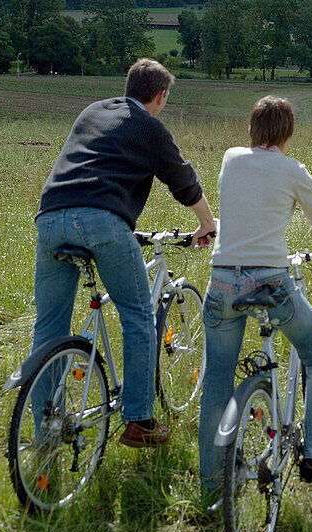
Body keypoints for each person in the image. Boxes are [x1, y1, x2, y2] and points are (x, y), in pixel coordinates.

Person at [32, 58, 217, 448]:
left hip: (49, 218)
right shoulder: (149, 127)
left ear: (129, 86)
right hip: (101, 220)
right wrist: (207, 223)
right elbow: (184, 181)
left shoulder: (92, 111)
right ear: (161, 96)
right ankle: (139, 421)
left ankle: (42, 431)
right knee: (137, 316)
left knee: (48, 329)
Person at [197, 95, 312, 500]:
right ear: (288, 134)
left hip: (220, 283)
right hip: (270, 282)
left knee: (217, 381)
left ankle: (213, 487)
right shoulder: (292, 170)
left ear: (251, 130)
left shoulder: (231, 158)